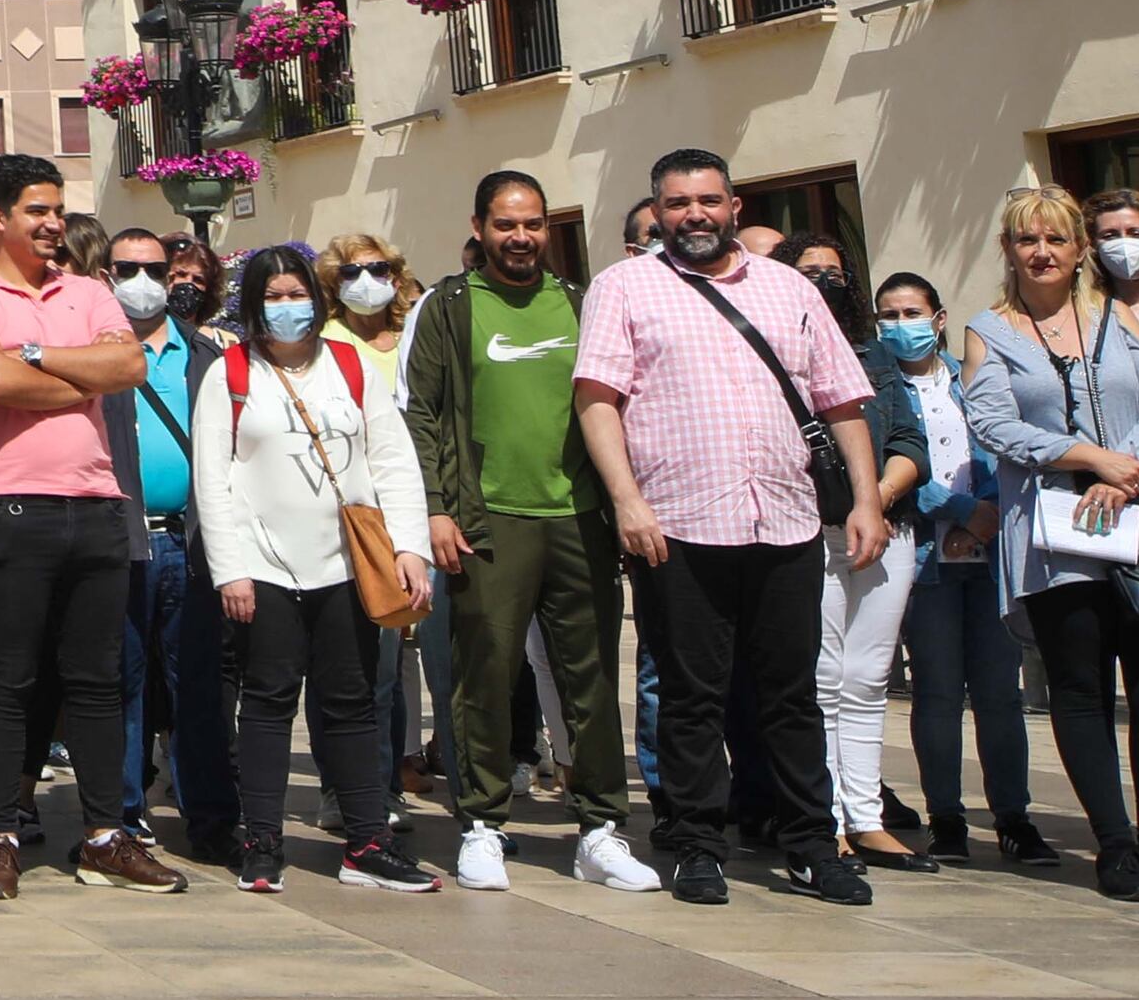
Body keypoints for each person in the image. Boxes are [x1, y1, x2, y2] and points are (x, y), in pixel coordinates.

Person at [573, 149, 883, 907]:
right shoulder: (624, 287)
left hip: (783, 518)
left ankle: (812, 841)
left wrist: (866, 500)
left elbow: (842, 399)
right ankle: (696, 841)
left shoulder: (787, 289)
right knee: (689, 695)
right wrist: (628, 500)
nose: (695, 215)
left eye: (708, 200)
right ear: (659, 209)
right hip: (680, 523)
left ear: (734, 205)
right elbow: (596, 398)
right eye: (678, 203)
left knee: (791, 693)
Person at [0, 150, 163, 903]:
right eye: (36, 209)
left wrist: (36, 358)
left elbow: (129, 368)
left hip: (94, 504)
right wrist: (73, 372)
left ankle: (102, 831)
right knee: (5, 677)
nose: (53, 222)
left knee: (95, 679)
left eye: (57, 208)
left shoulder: (88, 289)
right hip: (5, 506)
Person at [402, 171, 652, 894]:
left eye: (534, 223)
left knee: (594, 677)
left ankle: (601, 827)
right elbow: (420, 412)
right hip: (487, 521)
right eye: (506, 223)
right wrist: (436, 508)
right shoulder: (447, 306)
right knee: (485, 674)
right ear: (479, 225)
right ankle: (481, 822)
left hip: (579, 518)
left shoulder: (582, 301)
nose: (521, 237)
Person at [962, 186, 1139, 906]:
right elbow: (993, 423)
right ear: (1008, 250)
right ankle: (1118, 844)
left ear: (1079, 250)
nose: (1042, 253)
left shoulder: (1117, 317)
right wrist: (1086, 457)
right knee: (1081, 690)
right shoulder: (990, 330)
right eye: (1026, 240)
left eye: (1057, 240)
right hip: (1058, 536)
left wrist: (1128, 464)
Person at [189, 244, 434, 890]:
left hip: (346, 567)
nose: (287, 306)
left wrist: (409, 546)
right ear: (252, 304)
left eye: (297, 293)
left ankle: (367, 840)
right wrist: (230, 570)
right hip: (263, 567)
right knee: (268, 702)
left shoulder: (350, 366)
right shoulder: (231, 373)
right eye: (273, 295)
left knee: (353, 704)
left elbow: (392, 462)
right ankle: (262, 841)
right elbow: (212, 479)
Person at [877, 270, 1047, 867]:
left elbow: (1005, 445)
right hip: (926, 558)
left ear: (940, 318)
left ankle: (1013, 817)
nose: (902, 327)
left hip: (991, 553)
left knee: (1000, 692)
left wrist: (991, 511)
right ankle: (945, 815)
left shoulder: (970, 376)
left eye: (912, 313)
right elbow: (898, 463)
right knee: (938, 692)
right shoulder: (881, 387)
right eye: (889, 317)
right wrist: (958, 509)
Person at [82, 227, 229, 861]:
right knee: (122, 683)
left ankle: (213, 818)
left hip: (193, 542)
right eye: (126, 268)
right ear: (105, 273)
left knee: (199, 684)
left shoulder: (205, 357)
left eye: (154, 268)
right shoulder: (86, 353)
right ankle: (122, 815)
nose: (142, 281)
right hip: (118, 540)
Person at [808, 259, 935, 882]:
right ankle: (825, 818)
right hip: (813, 533)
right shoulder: (779, 355)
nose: (825, 283)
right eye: (808, 272)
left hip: (886, 526)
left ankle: (864, 815)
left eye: (834, 272)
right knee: (823, 676)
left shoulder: (874, 354)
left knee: (866, 679)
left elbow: (910, 441)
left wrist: (874, 499)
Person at [313, 230, 444, 811]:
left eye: (377, 267)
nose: (366, 280)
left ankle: (405, 777)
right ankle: (354, 789)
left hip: (432, 510)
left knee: (434, 666)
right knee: (375, 666)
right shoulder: (325, 343)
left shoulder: (417, 335)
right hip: (367, 520)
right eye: (349, 272)